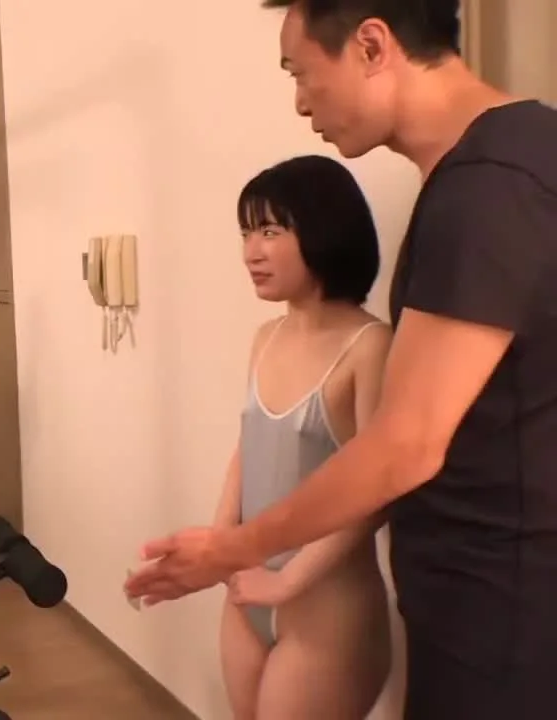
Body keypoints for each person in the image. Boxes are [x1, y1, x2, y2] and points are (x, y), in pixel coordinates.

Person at [124, 1, 557, 718]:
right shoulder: (514, 158)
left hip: (502, 612)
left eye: (301, 73)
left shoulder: (489, 188)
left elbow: (403, 445)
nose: (300, 103)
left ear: (371, 45)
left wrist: (233, 549)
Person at [216, 155, 392, 719]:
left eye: (270, 231)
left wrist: (288, 580)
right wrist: (219, 543)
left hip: (327, 608)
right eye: (246, 233)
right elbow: (248, 447)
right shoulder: (265, 336)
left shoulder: (370, 345)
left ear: (323, 231)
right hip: (247, 595)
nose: (251, 252)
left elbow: (378, 491)